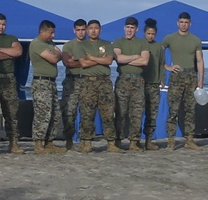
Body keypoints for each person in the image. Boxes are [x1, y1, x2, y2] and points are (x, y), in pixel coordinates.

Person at [73, 19, 121, 153]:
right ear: (87, 30)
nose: (93, 30)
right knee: (87, 113)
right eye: (91, 28)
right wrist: (100, 60)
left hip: (104, 82)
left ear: (100, 30)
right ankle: (87, 142)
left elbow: (109, 60)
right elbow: (83, 64)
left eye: (96, 28)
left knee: (108, 113)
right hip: (88, 82)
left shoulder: (107, 44)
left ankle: (111, 142)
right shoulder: (81, 45)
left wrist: (92, 58)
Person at [162, 12, 204, 150]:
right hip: (176, 76)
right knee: (173, 110)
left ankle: (190, 140)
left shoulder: (195, 40)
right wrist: (167, 67)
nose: (183, 25)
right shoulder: (170, 38)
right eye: (181, 22)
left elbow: (200, 61)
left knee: (190, 109)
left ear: (190, 24)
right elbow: (157, 53)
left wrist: (200, 81)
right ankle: (171, 140)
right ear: (177, 23)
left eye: (186, 22)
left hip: (191, 76)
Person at [0, 13, 25, 154]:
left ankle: (13, 143)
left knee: (11, 113)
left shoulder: (11, 38)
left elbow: (18, 51)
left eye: (3, 24)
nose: (1, 27)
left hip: (8, 78)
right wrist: (8, 54)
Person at [112, 16, 150, 151]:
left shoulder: (143, 43)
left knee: (137, 112)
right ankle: (117, 140)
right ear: (124, 28)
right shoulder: (117, 42)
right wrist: (135, 56)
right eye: (127, 27)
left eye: (132, 28)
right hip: (123, 79)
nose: (129, 30)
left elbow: (145, 61)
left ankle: (134, 141)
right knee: (120, 112)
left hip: (138, 80)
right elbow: (119, 59)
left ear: (137, 29)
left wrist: (126, 59)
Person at [29, 20, 65, 154]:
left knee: (55, 113)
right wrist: (57, 54)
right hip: (41, 83)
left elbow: (58, 53)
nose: (53, 35)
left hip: (52, 83)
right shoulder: (36, 44)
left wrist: (57, 53)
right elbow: (55, 58)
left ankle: (49, 142)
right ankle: (38, 143)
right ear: (42, 32)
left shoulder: (49, 44)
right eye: (50, 33)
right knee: (43, 113)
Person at [60, 19, 88, 150]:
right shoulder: (68, 45)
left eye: (83, 30)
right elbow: (68, 62)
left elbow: (100, 61)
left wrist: (77, 59)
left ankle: (84, 140)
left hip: (87, 81)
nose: (81, 33)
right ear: (74, 30)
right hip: (72, 81)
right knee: (69, 112)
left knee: (87, 112)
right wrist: (85, 61)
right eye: (78, 30)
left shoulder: (91, 45)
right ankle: (69, 139)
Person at [141, 18, 165, 150]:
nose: (150, 36)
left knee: (152, 113)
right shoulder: (140, 44)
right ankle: (135, 140)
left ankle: (148, 140)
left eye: (153, 34)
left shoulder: (158, 47)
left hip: (154, 84)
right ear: (144, 33)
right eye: (148, 33)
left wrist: (161, 78)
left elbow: (161, 63)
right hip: (140, 83)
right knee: (138, 113)